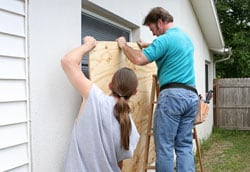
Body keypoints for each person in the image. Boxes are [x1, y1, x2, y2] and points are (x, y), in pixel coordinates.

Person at [116, 7, 199, 172]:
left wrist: (124, 46)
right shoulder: (185, 39)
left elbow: (139, 60)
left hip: (173, 98)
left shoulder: (164, 40)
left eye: (153, 29)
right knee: (184, 146)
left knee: (165, 146)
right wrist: (148, 45)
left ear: (160, 22)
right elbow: (166, 48)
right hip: (191, 98)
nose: (154, 34)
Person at [61, 36, 139, 172]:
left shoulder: (94, 97)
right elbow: (119, 165)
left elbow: (67, 61)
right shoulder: (129, 125)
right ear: (135, 92)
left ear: (110, 85)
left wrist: (88, 45)